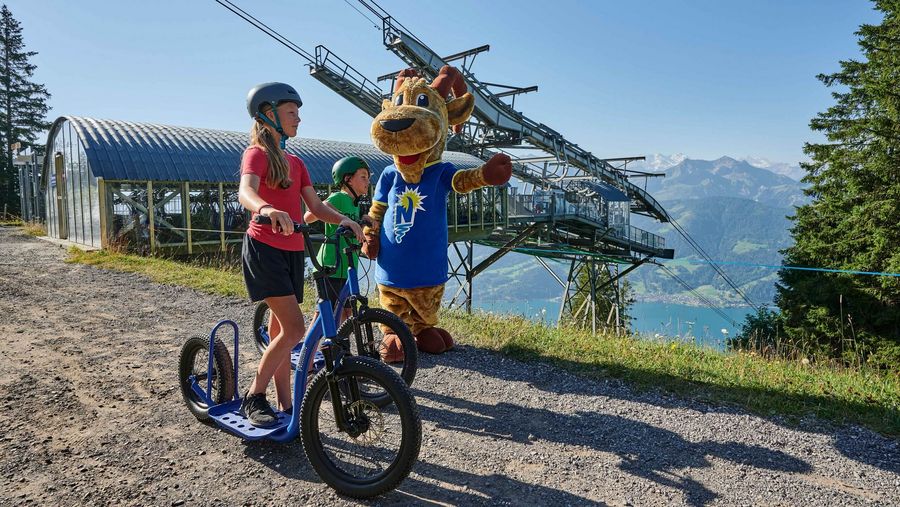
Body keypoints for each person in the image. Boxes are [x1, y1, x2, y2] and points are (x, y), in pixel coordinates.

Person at [238, 82, 364, 427]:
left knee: (282, 330)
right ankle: (254, 396)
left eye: (298, 112)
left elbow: (316, 206)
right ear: (269, 114)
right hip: (265, 248)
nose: (299, 118)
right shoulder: (257, 154)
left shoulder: (296, 162)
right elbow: (245, 191)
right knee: (293, 330)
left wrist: (345, 221)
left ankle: (285, 404)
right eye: (292, 112)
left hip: (294, 251)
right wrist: (266, 209)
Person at [303, 156, 371, 325]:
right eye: (363, 177)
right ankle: (311, 350)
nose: (367, 181)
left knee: (346, 312)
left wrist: (363, 220)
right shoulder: (338, 197)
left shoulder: (355, 204)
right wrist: (336, 213)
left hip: (348, 266)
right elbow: (309, 216)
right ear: (347, 179)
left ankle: (340, 348)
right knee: (324, 314)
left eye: (368, 178)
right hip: (331, 265)